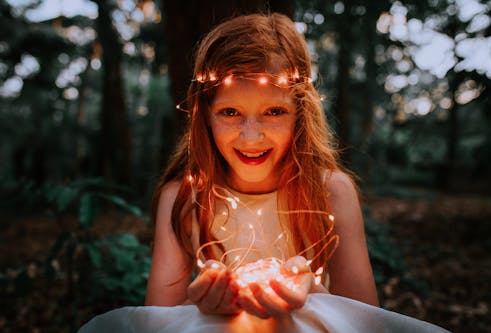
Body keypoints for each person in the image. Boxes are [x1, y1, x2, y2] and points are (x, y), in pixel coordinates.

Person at [78, 13, 449, 332]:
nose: (251, 136)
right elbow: (158, 320)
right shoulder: (186, 196)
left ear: (300, 113)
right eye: (230, 113)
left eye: (273, 112)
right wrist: (204, 305)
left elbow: (364, 319)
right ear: (204, 115)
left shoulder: (330, 191)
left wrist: (312, 295)